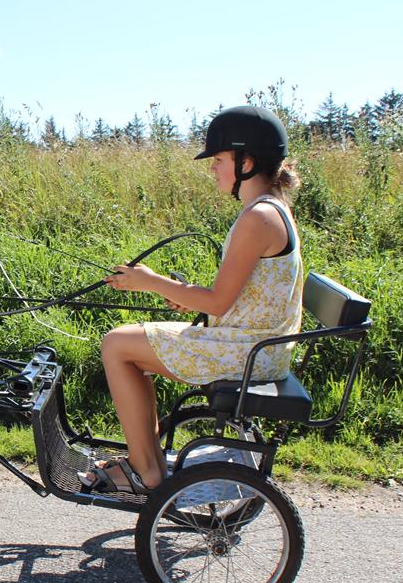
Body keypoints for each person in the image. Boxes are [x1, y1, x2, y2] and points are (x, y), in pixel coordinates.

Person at [78, 105, 304, 493]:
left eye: (218, 159)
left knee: (116, 345)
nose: (213, 168)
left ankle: (144, 469)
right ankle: (145, 461)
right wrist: (186, 296)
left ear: (246, 161)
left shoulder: (258, 217)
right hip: (252, 343)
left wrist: (149, 281)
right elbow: (237, 296)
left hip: (247, 351)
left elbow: (217, 302)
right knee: (130, 342)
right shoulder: (270, 209)